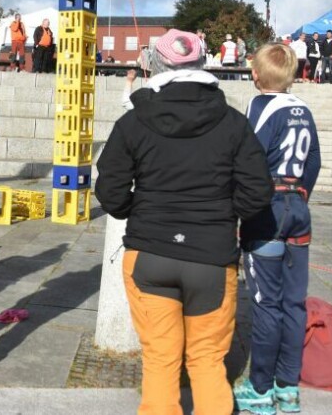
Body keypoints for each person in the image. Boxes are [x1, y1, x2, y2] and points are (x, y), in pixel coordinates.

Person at [95, 29, 272, 415]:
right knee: (207, 363)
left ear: (155, 67)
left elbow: (109, 189)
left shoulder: (134, 121)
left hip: (149, 253)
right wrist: (226, 213)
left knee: (160, 361)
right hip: (211, 256)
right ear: (202, 64)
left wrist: (134, 210)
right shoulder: (232, 122)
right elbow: (258, 191)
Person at [234, 43, 321, 415]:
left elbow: (249, 159)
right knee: (294, 301)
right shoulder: (303, 108)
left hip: (268, 209)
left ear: (256, 74)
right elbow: (314, 161)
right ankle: (289, 387)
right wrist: (301, 197)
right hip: (298, 207)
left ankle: (260, 388)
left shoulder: (260, 107)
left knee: (266, 303)